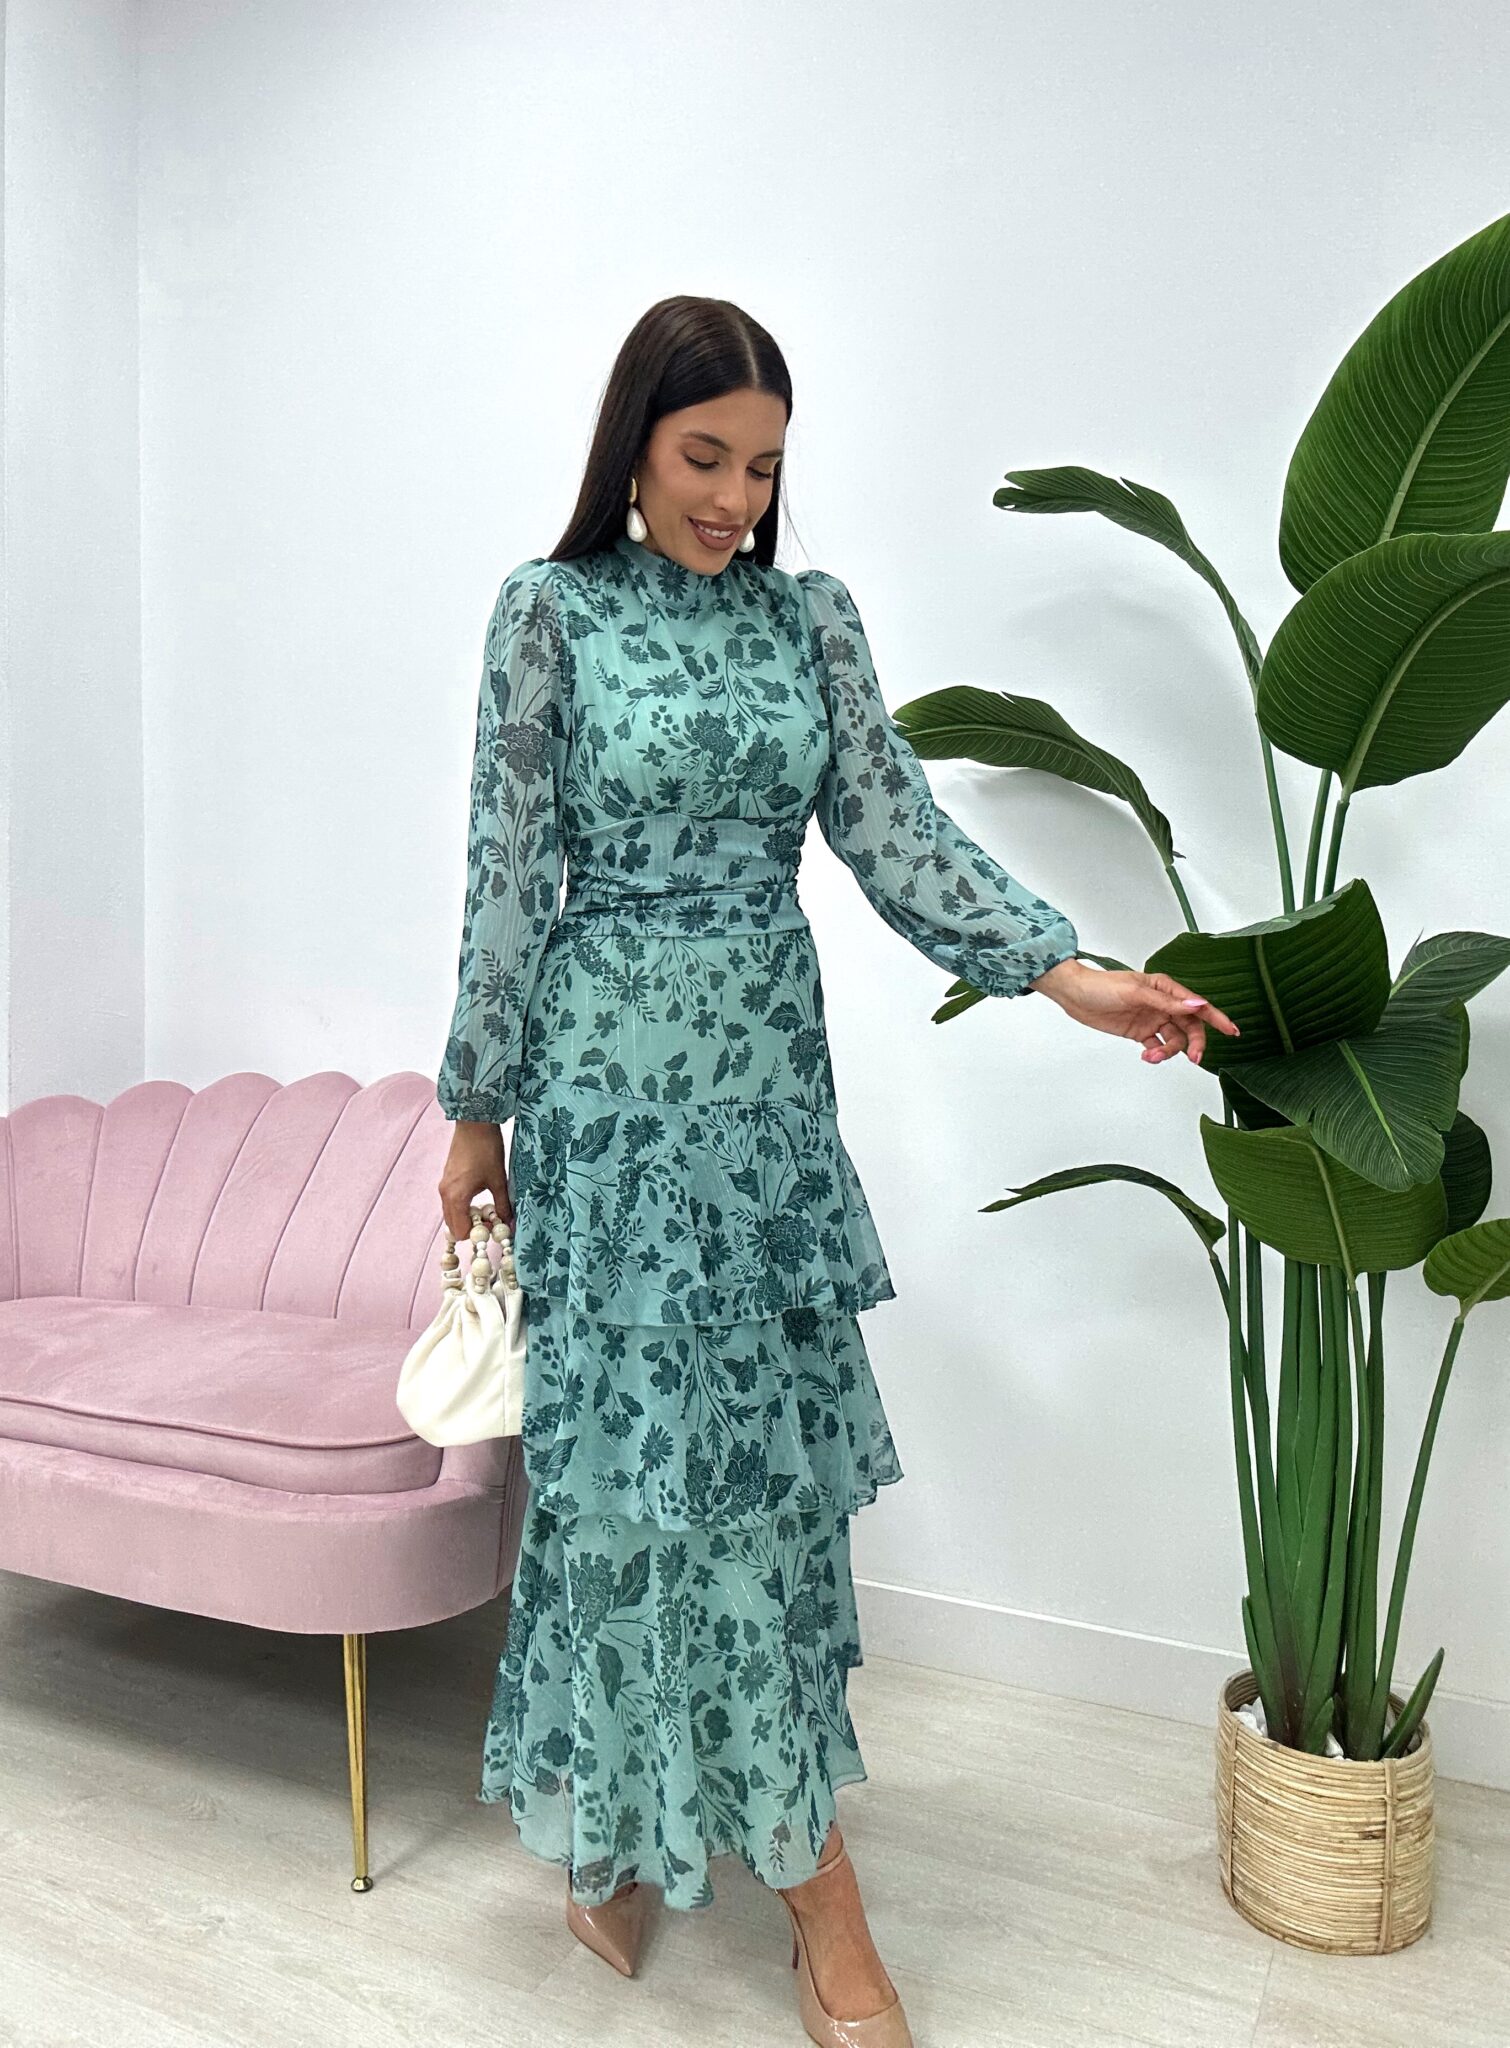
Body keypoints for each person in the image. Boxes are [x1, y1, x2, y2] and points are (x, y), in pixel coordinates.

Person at [435, 295, 1238, 2048]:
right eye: (702, 457)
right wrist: (474, 1111)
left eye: (762, 465)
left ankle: (760, 1856)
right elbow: (506, 869)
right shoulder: (551, 613)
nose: (734, 497)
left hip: (764, 1117)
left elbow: (894, 836)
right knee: (630, 1487)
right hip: (606, 1114)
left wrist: (1070, 972)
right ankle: (692, 1851)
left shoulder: (810, 621)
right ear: (633, 448)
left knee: (758, 1492)